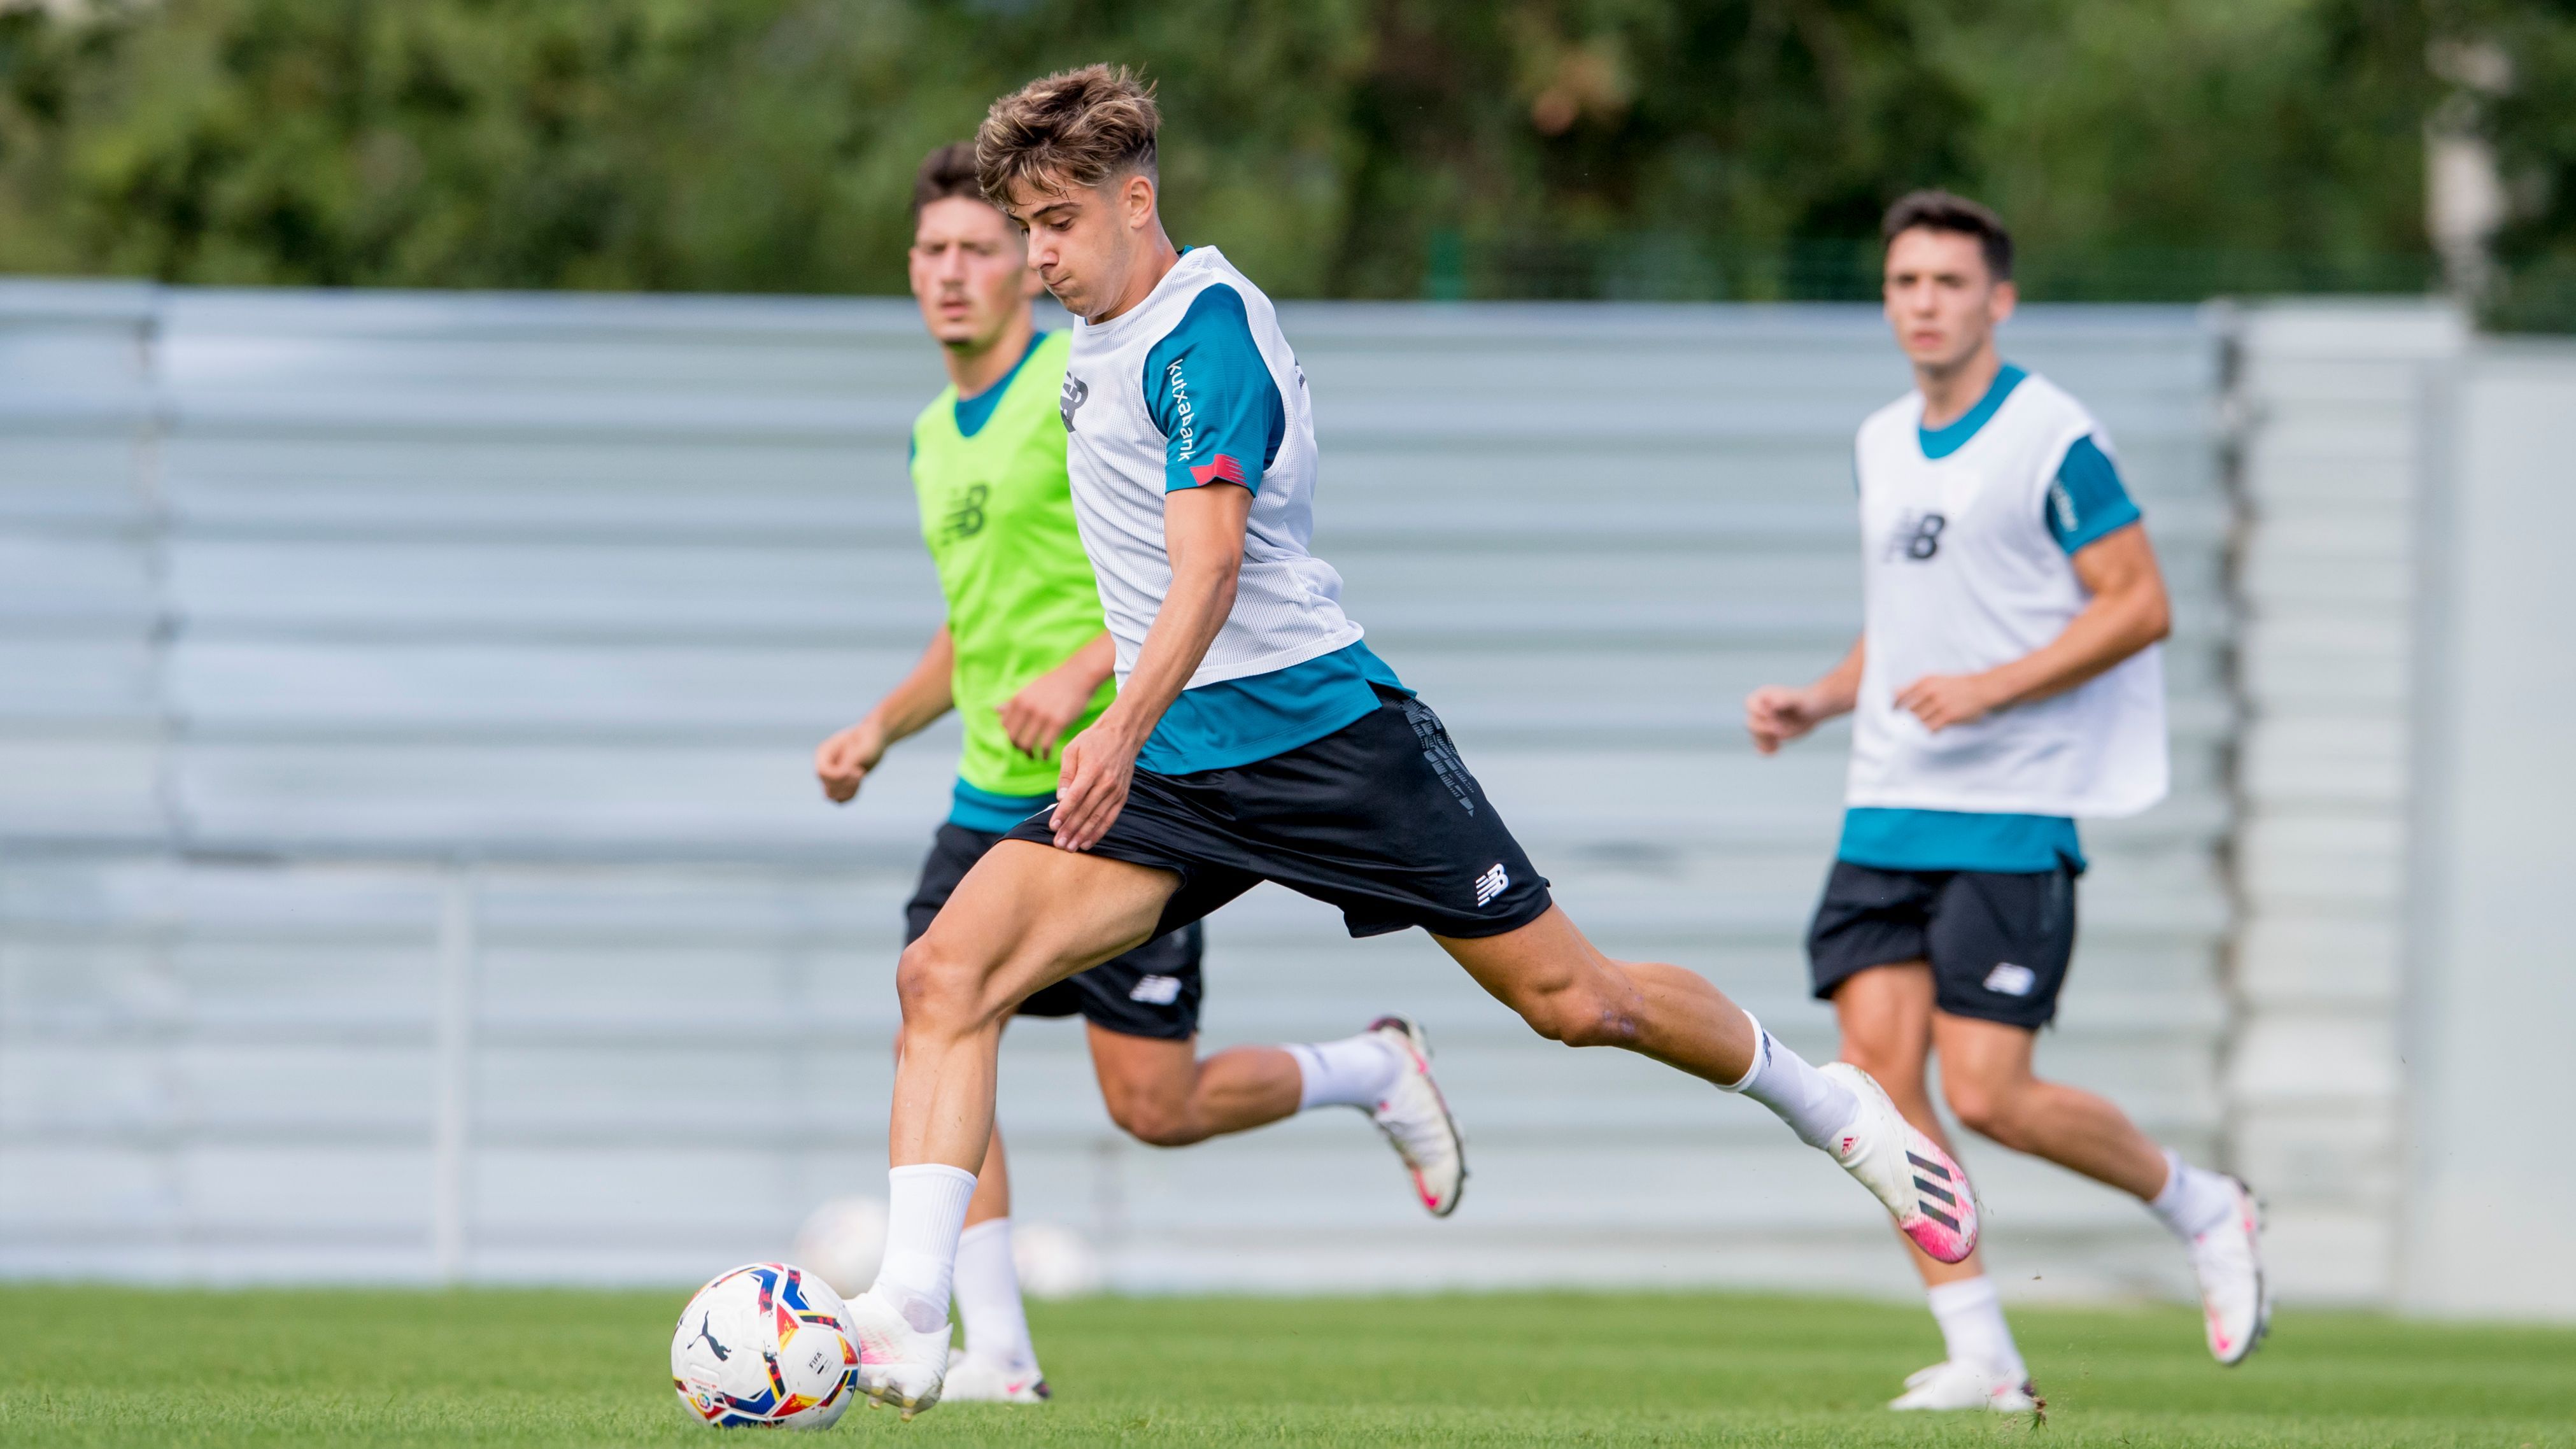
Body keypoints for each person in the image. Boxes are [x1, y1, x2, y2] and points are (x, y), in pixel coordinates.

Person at [837, 66, 1986, 1418]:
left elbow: (1207, 571)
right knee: (942, 974)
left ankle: (1831, 1104)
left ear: (1133, 202)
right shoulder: (1085, 337)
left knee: (1576, 1002)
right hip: (1180, 768)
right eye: (1018, 224)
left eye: (1053, 223)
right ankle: (916, 1316)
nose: (1035, 254)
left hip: (1322, 736)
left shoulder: (1203, 332)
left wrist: (1110, 727)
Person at [812, 141, 1466, 1406]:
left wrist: (1087, 681)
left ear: (1027, 262)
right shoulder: (928, 442)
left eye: (984, 248)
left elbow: (1171, 568)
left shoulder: (1087, 375)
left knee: (1153, 1103)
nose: (957, 273)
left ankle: (1371, 1068)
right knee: (945, 1005)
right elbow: (970, 626)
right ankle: (987, 1347)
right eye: (933, 252)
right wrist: (880, 726)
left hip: (1126, 777)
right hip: (989, 792)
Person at [1744, 190, 2268, 1413]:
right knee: (1875, 1093)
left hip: (2011, 813)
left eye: (1947, 282)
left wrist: (1991, 691)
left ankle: (2203, 1205)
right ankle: (1982, 1350)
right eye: (1903, 283)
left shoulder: (2051, 435)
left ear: (1998, 299)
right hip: (1883, 808)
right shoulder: (1880, 441)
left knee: (1990, 1093)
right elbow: (1911, 624)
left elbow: (2137, 602)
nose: (1923, 303)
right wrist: (1822, 701)